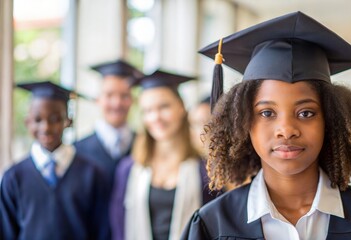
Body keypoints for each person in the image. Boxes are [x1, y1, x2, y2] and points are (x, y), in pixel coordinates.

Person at [181, 11, 351, 240]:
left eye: (306, 112)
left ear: (329, 122)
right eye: (267, 112)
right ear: (243, 124)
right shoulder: (213, 224)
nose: (287, 129)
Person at [109, 69, 220, 240]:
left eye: (164, 107)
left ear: (182, 107)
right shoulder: (129, 169)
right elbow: (118, 227)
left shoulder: (205, 170)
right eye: (148, 110)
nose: (156, 117)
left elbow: (215, 227)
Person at [0, 81, 109, 240]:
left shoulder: (92, 174)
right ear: (27, 122)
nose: (46, 127)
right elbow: (6, 232)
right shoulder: (14, 178)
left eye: (55, 119)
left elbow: (102, 231)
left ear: (68, 121)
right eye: (37, 120)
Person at [74, 59, 143, 190]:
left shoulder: (145, 144)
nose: (117, 103)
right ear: (97, 99)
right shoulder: (77, 150)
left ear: (133, 100)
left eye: (124, 96)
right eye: (109, 95)